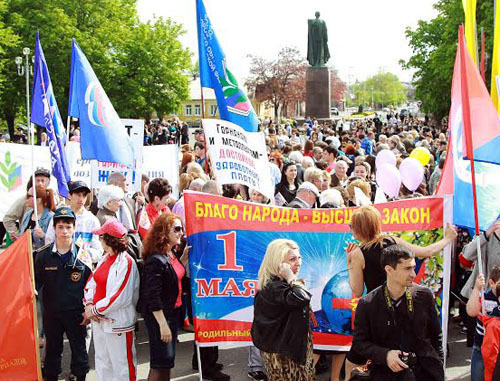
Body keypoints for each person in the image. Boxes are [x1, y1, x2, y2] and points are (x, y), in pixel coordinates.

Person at [350, 244, 444, 381]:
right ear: (389, 270)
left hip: (424, 373)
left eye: (413, 267)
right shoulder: (368, 304)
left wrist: (438, 366)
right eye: (407, 269)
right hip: (385, 374)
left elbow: (436, 336)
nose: (413, 274)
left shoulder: (424, 296)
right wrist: (385, 355)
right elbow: (359, 344)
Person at [35, 207, 92, 381]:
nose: (65, 231)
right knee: (52, 354)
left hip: (77, 314)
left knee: (80, 356)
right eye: (60, 227)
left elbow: (92, 287)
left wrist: (88, 310)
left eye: (68, 227)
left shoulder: (83, 255)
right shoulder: (43, 256)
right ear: (54, 228)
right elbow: (35, 285)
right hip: (52, 314)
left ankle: (78, 377)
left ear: (74, 228)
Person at [140, 214, 196, 381]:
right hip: (160, 317)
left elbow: (174, 275)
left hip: (172, 313)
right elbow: (152, 296)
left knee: (167, 362)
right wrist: (163, 324)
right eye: (177, 229)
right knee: (159, 363)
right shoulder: (155, 260)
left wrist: (183, 258)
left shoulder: (170, 253)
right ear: (164, 231)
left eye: (182, 229)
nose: (181, 233)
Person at [84, 219, 140, 381]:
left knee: (122, 365)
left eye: (101, 237)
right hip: (100, 321)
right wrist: (89, 304)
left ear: (108, 240)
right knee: (103, 363)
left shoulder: (127, 262)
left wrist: (93, 310)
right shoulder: (105, 258)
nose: (99, 240)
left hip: (118, 323)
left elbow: (120, 296)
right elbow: (91, 284)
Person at [251, 239, 314, 381]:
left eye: (299, 257)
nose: (298, 262)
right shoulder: (275, 287)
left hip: (288, 347)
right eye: (292, 259)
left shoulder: (279, 284)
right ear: (278, 263)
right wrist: (291, 277)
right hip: (283, 353)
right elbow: (303, 297)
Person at [45, 181, 103, 264]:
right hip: (60, 264)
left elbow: (98, 251)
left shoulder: (92, 220)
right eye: (78, 195)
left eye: (84, 195)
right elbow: (49, 241)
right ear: (69, 195)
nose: (81, 199)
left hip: (82, 267)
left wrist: (83, 254)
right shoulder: (58, 216)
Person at [466, 268, 500, 381]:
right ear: (492, 283)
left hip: (497, 349)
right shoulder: (485, 296)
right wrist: (477, 288)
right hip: (481, 346)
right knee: (478, 377)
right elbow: (471, 311)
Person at [4, 168, 51, 241]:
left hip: (43, 248)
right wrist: (17, 237)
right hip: (26, 247)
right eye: (38, 181)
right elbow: (8, 218)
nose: (40, 184)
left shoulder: (53, 201)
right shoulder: (25, 201)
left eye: (43, 180)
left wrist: (43, 236)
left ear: (48, 182)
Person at [20, 185, 56, 250]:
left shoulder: (51, 217)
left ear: (38, 200)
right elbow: (23, 236)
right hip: (26, 255)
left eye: (28, 196)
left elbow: (55, 242)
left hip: (41, 257)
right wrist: (17, 238)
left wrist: (43, 236)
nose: (26, 198)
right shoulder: (27, 215)